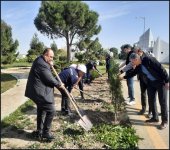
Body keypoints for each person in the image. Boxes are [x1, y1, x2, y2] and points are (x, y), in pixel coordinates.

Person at [119, 53, 169, 129]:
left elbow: (161, 69)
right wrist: (123, 77)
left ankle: (164, 121)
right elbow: (133, 73)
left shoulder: (149, 59)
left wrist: (167, 81)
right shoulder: (139, 66)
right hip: (151, 84)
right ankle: (155, 118)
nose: (132, 64)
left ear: (136, 59)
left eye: (132, 62)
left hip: (161, 83)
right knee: (151, 100)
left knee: (162, 101)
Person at [25, 48, 64, 141]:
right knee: (51, 110)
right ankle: (45, 133)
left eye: (52, 57)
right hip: (38, 91)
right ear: (45, 55)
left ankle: (39, 131)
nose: (52, 59)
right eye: (50, 57)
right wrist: (59, 84)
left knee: (41, 110)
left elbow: (47, 74)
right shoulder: (41, 64)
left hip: (37, 90)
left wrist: (49, 65)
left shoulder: (41, 61)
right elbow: (49, 78)